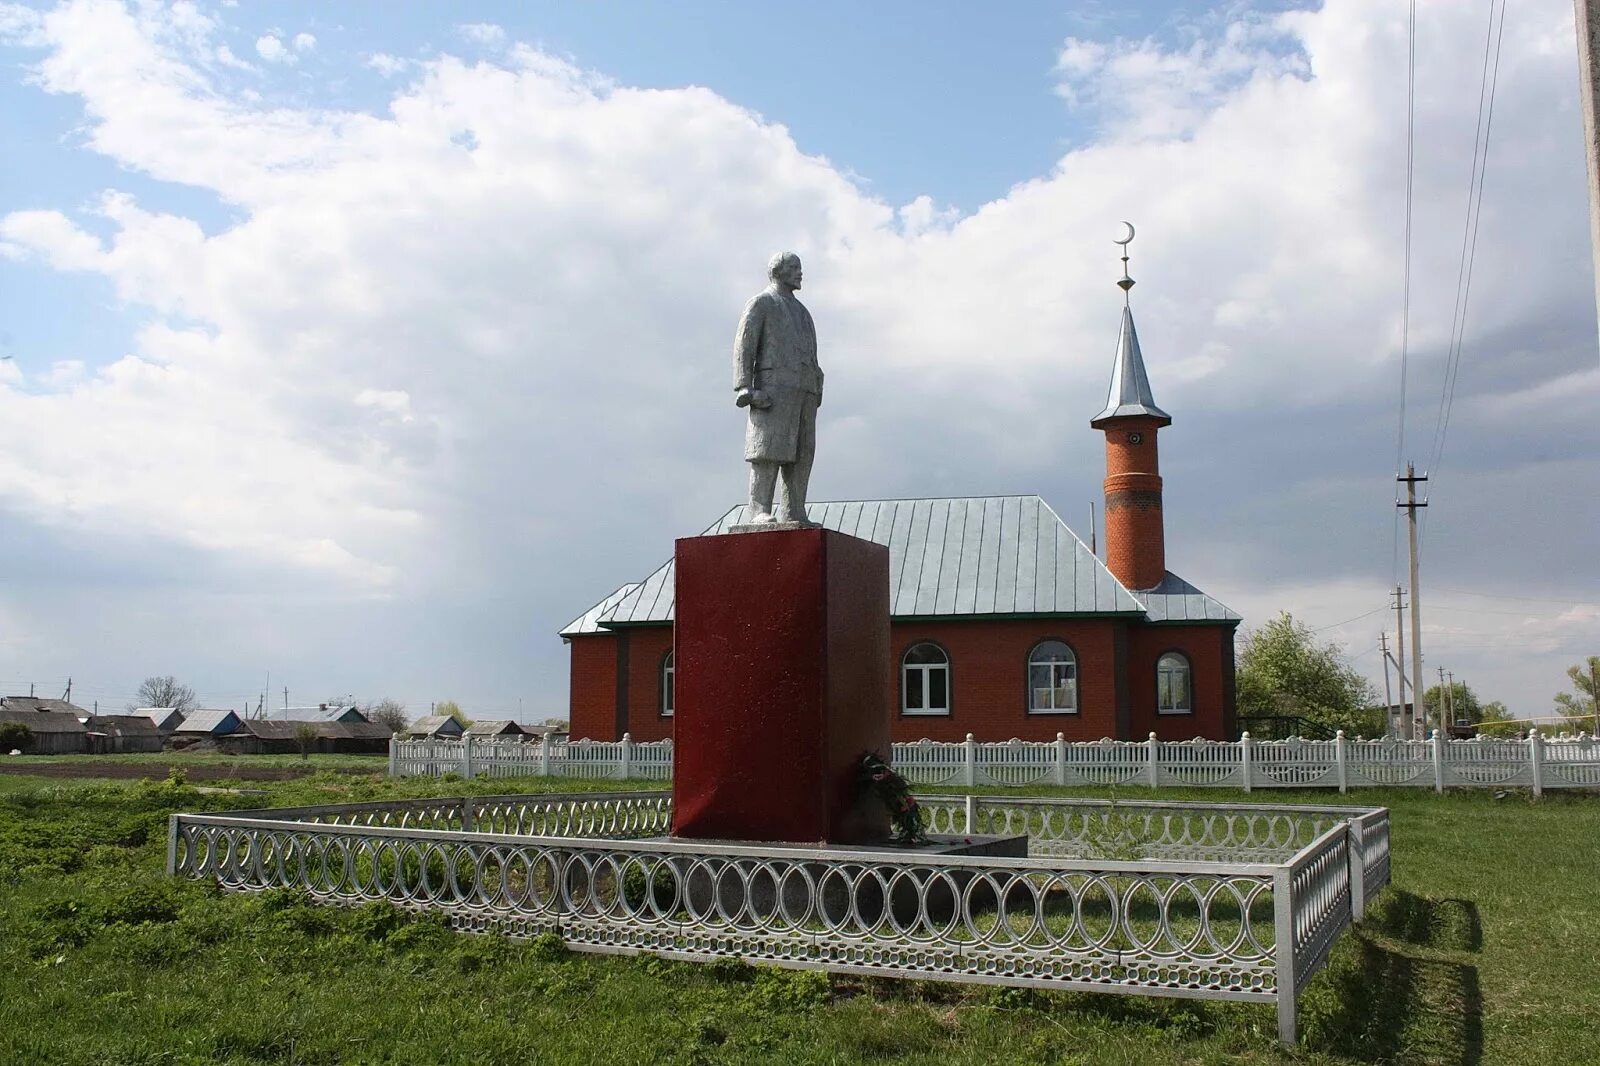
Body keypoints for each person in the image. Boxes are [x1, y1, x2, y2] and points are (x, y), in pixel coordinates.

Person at [732, 251, 823, 524]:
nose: (800, 272)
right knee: (768, 450)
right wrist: (744, 386)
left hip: (805, 390)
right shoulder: (762, 303)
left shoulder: (803, 311)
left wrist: (817, 383)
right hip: (774, 389)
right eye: (794, 267)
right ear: (778, 271)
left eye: (800, 267)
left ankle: (793, 510)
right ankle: (759, 509)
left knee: (801, 452)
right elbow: (744, 344)